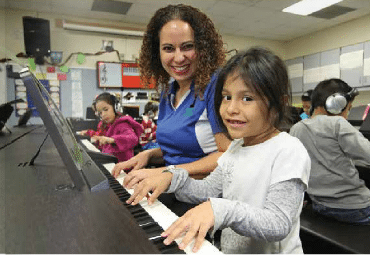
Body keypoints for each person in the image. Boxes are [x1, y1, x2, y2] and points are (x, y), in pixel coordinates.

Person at [125, 47, 311, 253]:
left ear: (279, 103)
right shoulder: (237, 147)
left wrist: (220, 209)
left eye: (247, 98)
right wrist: (170, 177)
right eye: (226, 97)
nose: (231, 108)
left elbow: (277, 224)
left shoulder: (288, 150)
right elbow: (207, 190)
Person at [112, 4, 231, 181]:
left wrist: (166, 172)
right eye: (168, 48)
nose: (178, 57)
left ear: (203, 48)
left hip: (204, 193)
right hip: (172, 185)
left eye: (187, 46)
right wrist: (150, 155)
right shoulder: (168, 91)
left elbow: (228, 155)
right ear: (157, 53)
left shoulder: (215, 85)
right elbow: (179, 149)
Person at [290, 78, 370, 229]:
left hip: (320, 204)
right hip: (354, 207)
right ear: (336, 104)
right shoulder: (338, 124)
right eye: (348, 108)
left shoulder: (296, 128)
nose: (347, 115)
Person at [80, 92, 144, 166]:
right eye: (100, 113)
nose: (103, 114)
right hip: (111, 162)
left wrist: (112, 140)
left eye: (106, 109)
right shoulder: (108, 125)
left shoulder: (122, 124)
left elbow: (133, 138)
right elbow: (105, 143)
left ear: (116, 107)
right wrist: (98, 140)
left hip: (123, 167)